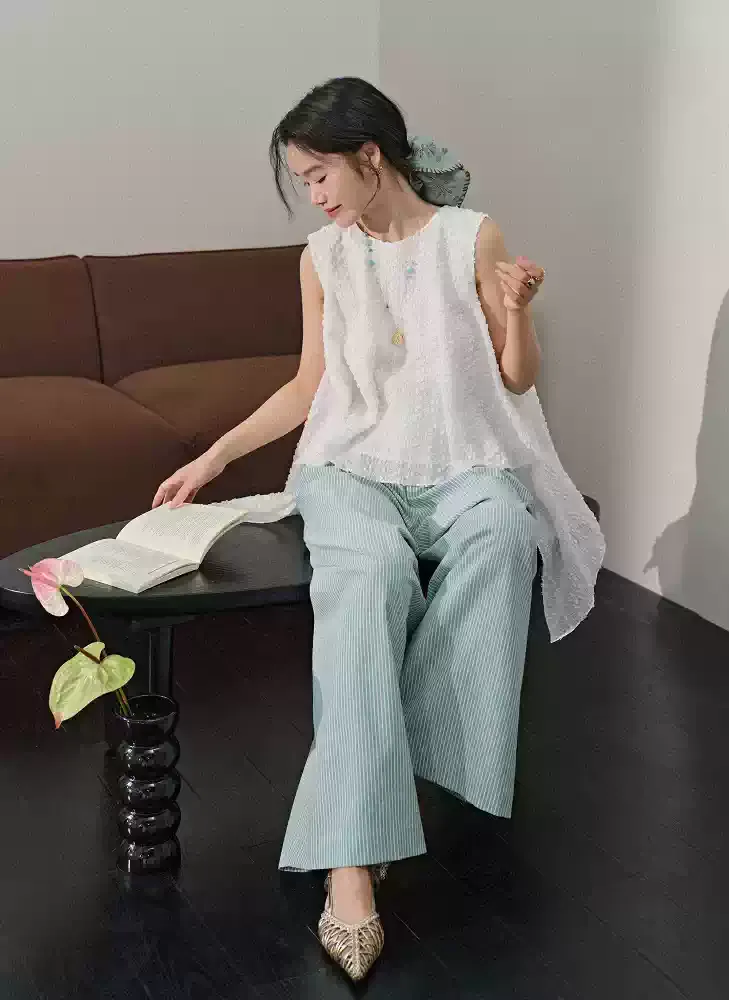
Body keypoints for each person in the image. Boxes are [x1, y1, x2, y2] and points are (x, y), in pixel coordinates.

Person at [152, 77, 605, 981]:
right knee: (367, 581)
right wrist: (214, 459)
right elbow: (308, 385)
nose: (313, 197)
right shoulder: (322, 257)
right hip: (351, 466)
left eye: (319, 175)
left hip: (461, 462)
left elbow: (516, 379)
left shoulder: (470, 237)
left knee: (505, 534)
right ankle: (351, 866)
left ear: (371, 156)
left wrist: (517, 312)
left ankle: (372, 777)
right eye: (302, 182)